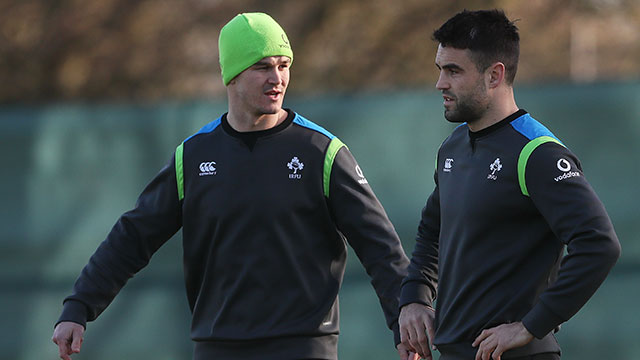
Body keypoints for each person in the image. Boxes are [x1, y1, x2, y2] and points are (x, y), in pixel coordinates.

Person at [52, 12, 412, 360]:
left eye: (283, 65)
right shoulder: (192, 157)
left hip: (303, 347)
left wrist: (403, 321)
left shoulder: (323, 152)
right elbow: (133, 236)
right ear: (232, 76)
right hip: (217, 346)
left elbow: (379, 244)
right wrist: (79, 306)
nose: (277, 78)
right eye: (262, 67)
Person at [398, 9, 621, 360]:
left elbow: (599, 244)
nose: (440, 83)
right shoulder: (453, 146)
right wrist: (414, 297)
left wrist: (531, 326)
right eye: (440, 69)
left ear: (494, 75)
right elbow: (431, 230)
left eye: (453, 70)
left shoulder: (536, 153)